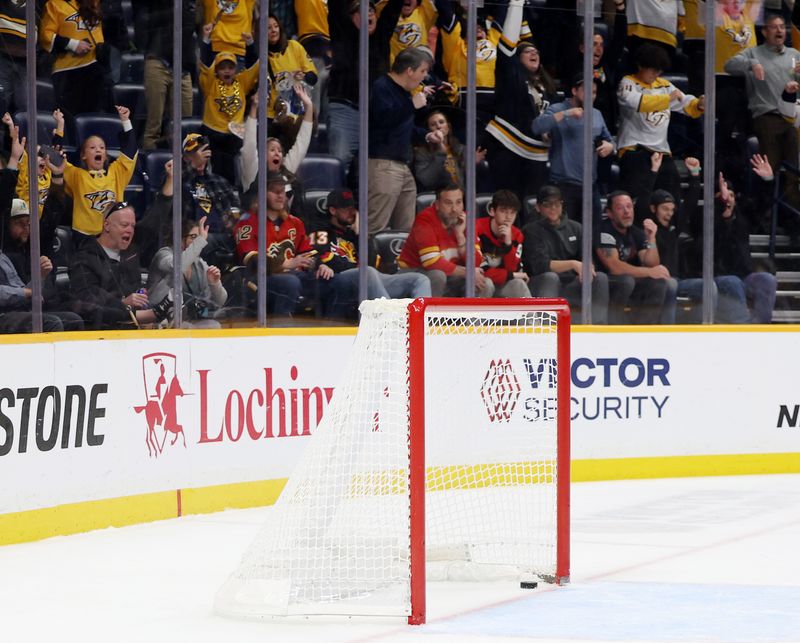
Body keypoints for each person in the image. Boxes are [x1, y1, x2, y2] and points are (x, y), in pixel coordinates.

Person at [233, 171, 357, 319]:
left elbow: (308, 252)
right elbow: (252, 261)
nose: (280, 195)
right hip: (260, 279)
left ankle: (329, 330)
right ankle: (280, 331)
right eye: (274, 190)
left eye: (283, 191)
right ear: (260, 194)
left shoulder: (295, 223)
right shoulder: (247, 223)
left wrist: (319, 265)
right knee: (290, 282)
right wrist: (287, 263)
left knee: (340, 282)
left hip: (296, 276)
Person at [725, 12, 800, 240]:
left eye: (782, 27)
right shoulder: (754, 52)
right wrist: (751, 63)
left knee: (795, 172)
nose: (779, 31)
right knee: (770, 168)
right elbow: (729, 65)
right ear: (764, 32)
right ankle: (764, 217)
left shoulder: (795, 54)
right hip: (766, 116)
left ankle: (792, 221)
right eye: (773, 27)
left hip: (793, 117)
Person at [485, 0, 556, 202]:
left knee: (532, 208)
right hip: (509, 146)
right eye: (527, 51)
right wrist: (516, 4)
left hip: (538, 154)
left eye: (536, 51)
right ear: (516, 58)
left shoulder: (548, 87)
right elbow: (507, 45)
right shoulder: (510, 74)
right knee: (508, 204)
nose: (534, 53)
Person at [617, 43, 705, 205]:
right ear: (640, 65)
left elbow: (684, 101)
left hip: (662, 153)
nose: (656, 73)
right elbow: (637, 103)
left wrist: (698, 105)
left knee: (672, 201)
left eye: (659, 70)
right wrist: (667, 99)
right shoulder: (627, 83)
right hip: (635, 150)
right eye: (652, 69)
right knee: (638, 201)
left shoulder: (663, 85)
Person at [308, 187, 431, 299]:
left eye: (354, 208)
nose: (353, 213)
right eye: (347, 209)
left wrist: (363, 235)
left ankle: (419, 320)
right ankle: (389, 318)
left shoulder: (354, 232)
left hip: (367, 278)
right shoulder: (320, 229)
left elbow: (371, 262)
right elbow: (323, 258)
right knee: (367, 272)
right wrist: (356, 267)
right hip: (338, 279)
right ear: (333, 210)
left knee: (420, 279)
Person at [327, 0, 404, 173]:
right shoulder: (343, 33)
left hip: (375, 115)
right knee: (340, 164)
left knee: (378, 168)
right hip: (345, 110)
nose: (368, 13)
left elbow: (393, 9)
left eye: (371, 10)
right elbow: (336, 6)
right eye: (361, 10)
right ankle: (340, 199)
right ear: (351, 17)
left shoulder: (381, 35)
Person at [69, 201, 172, 329]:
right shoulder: (84, 258)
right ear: (106, 225)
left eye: (132, 226)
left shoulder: (130, 253)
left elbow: (154, 221)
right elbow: (88, 302)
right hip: (102, 331)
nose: (130, 230)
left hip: (135, 326)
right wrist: (122, 303)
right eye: (124, 225)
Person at [367, 46, 434, 235]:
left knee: (406, 230)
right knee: (375, 226)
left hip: (403, 166)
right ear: (409, 71)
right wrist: (411, 105)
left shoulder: (404, 92)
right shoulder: (382, 87)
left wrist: (426, 135)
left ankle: (400, 265)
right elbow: (383, 120)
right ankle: (368, 264)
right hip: (383, 164)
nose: (425, 76)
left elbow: (402, 127)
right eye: (422, 71)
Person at [532, 75, 614, 224]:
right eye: (587, 91)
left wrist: (610, 146)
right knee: (567, 235)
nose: (591, 96)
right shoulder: (557, 109)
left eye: (594, 92)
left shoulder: (597, 114)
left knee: (593, 236)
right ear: (574, 90)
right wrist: (566, 113)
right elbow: (537, 127)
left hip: (591, 187)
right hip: (564, 185)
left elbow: (609, 139)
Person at [522, 185, 609, 324]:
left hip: (571, 282)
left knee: (600, 278)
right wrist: (573, 264)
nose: (553, 208)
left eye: (557, 204)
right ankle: (547, 326)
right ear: (538, 207)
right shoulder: (531, 230)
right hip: (541, 281)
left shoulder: (576, 228)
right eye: (547, 204)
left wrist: (587, 268)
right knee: (550, 278)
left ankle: (597, 326)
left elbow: (586, 259)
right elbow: (540, 266)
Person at [53, 105, 139, 242]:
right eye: (92, 148)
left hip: (111, 236)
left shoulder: (117, 173)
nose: (98, 150)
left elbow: (131, 151)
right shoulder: (77, 175)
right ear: (83, 156)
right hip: (83, 237)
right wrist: (60, 126)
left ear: (105, 155)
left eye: (102, 148)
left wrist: (126, 121)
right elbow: (56, 157)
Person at [594, 190, 676, 325]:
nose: (627, 212)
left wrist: (651, 239)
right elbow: (615, 268)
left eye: (629, 206)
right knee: (626, 281)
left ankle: (645, 330)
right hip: (605, 282)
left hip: (628, 281)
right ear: (609, 213)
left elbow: (651, 264)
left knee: (659, 283)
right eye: (620, 208)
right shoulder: (604, 231)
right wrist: (650, 272)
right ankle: (614, 329)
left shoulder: (636, 232)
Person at [397, 183, 492, 297]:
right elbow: (431, 263)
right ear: (437, 205)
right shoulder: (425, 221)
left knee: (485, 284)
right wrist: (468, 272)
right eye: (448, 203)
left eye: (458, 202)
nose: (454, 209)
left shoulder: (466, 220)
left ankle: (471, 315)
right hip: (414, 273)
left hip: (450, 275)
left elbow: (476, 262)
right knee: (438, 276)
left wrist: (460, 235)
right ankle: (427, 314)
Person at [198, 25, 259, 186]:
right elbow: (205, 65)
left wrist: (251, 44)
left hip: (234, 139)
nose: (227, 71)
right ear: (216, 70)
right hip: (213, 135)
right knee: (214, 177)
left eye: (230, 67)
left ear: (236, 69)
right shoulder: (211, 83)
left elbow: (254, 68)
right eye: (222, 68)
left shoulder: (242, 82)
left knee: (232, 180)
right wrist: (206, 40)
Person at [147, 216, 229, 328]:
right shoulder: (164, 255)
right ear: (179, 238)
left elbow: (220, 302)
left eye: (198, 237)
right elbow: (177, 268)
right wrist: (200, 241)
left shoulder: (199, 264)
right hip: (158, 320)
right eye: (193, 237)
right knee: (187, 328)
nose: (198, 242)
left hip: (189, 320)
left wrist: (215, 284)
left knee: (214, 326)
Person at [39, 0, 114, 120]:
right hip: (67, 72)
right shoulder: (55, 4)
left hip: (95, 71)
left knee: (94, 119)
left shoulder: (94, 2)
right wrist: (72, 44)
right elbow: (45, 36)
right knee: (69, 120)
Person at [140, 0, 196, 151]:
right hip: (158, 59)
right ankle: (151, 166)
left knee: (186, 127)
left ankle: (185, 169)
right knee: (154, 126)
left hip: (183, 67)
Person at [0, 247, 83, 333]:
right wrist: (25, 293)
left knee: (74, 320)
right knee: (51, 323)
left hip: (16, 312)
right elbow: (25, 292)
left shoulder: (2, 258)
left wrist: (40, 275)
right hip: (3, 314)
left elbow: (26, 291)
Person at [413, 108, 486, 192]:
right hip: (436, 196)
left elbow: (464, 179)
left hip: (460, 195)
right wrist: (440, 152)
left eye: (441, 122)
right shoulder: (422, 152)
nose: (438, 126)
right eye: (433, 124)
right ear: (429, 131)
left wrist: (472, 164)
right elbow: (426, 180)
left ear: (448, 127)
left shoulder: (461, 149)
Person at [181, 132, 240, 236]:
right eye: (194, 153)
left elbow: (237, 208)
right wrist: (194, 165)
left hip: (223, 236)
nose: (199, 156)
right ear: (185, 158)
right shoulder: (180, 181)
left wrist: (232, 221)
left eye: (202, 151)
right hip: (193, 237)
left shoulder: (220, 182)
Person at [475, 189, 531, 298]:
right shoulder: (477, 228)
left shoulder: (517, 235)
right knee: (486, 284)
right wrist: (512, 275)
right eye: (503, 211)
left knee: (519, 285)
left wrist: (508, 244)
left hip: (503, 283)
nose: (508, 217)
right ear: (492, 211)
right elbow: (478, 269)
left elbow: (512, 268)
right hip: (481, 281)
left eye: (512, 212)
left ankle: (533, 314)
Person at [266, 13, 318, 125]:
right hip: (271, 115)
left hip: (296, 113)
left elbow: (313, 77)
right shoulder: (260, 55)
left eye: (276, 26)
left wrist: (304, 76)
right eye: (268, 28)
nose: (274, 30)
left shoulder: (294, 46)